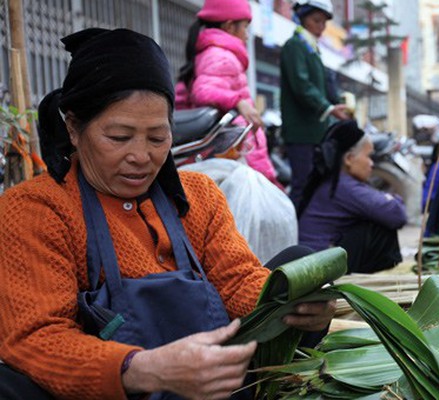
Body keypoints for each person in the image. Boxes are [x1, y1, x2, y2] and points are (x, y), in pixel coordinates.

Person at [0, 28, 335, 400]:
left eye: (157, 138)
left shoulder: (199, 195)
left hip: (214, 384)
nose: (141, 156)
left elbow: (237, 279)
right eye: (119, 137)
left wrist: (295, 308)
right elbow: (38, 337)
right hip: (115, 388)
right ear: (74, 129)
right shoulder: (36, 208)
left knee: (298, 268)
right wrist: (141, 369)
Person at [174, 0, 281, 188]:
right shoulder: (220, 55)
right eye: (245, 28)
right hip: (233, 149)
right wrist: (238, 102)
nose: (247, 36)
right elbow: (203, 90)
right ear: (230, 26)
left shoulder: (214, 52)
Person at [297, 120, 407, 273]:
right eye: (369, 156)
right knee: (380, 227)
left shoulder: (337, 183)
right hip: (317, 266)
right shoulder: (344, 187)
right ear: (348, 159)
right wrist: (393, 198)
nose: (371, 164)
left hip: (315, 258)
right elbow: (397, 214)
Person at [280, 0, 350, 208]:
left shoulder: (311, 47)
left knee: (313, 185)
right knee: (303, 185)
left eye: (323, 22)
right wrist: (327, 108)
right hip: (301, 131)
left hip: (314, 130)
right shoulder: (295, 46)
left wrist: (335, 105)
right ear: (302, 18)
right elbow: (301, 85)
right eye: (316, 20)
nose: (321, 26)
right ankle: (293, 234)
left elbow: (323, 86)